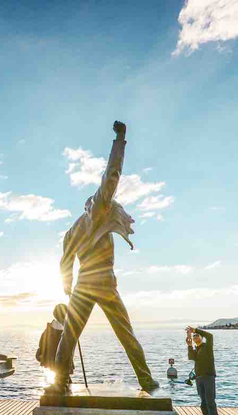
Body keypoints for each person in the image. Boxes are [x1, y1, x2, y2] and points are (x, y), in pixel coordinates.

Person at [51, 121, 159, 394]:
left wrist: (67, 282)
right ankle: (146, 380)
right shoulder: (100, 208)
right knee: (125, 333)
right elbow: (112, 173)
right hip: (103, 283)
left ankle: (59, 381)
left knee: (69, 335)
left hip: (83, 285)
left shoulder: (73, 228)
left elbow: (65, 258)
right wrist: (120, 139)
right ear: (95, 204)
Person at [186, 326, 220, 415]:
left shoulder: (207, 346)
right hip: (199, 378)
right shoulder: (197, 349)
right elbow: (191, 357)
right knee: (203, 402)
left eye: (197, 335)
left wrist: (195, 330)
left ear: (201, 337)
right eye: (193, 336)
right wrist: (189, 345)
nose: (195, 336)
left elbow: (210, 336)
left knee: (210, 401)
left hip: (208, 377)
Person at [36, 304, 71, 381]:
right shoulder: (68, 329)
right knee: (63, 375)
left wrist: (41, 353)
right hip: (60, 359)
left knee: (61, 375)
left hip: (52, 357)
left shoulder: (49, 329)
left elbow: (42, 343)